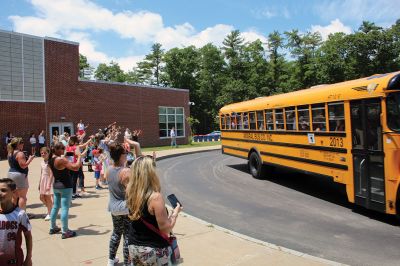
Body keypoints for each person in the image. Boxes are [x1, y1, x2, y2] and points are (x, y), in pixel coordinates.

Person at [126, 156, 183, 265]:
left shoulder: (130, 192)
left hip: (134, 246)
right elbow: (165, 229)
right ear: (150, 174)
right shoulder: (155, 197)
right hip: (154, 249)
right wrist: (175, 213)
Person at [107, 141, 140, 266]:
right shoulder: (126, 172)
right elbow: (132, 190)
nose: (127, 154)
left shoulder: (109, 170)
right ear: (121, 155)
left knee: (116, 233)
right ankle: (127, 262)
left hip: (114, 207)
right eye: (125, 153)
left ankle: (111, 260)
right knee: (127, 235)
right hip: (126, 208)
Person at [48, 142, 87, 239]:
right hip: (65, 186)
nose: (63, 150)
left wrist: (65, 156)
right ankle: (65, 231)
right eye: (62, 148)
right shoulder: (61, 160)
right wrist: (79, 157)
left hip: (56, 186)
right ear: (57, 149)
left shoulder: (51, 159)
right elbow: (75, 167)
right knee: (65, 208)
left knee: (55, 207)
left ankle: (53, 227)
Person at [0, 178, 32, 266]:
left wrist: (28, 258)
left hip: (14, 260)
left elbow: (28, 236)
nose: (0, 193)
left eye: (3, 190)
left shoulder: (20, 215)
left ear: (14, 193)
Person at [7, 138, 35, 210]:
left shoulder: (10, 153)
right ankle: (21, 214)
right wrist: (30, 159)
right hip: (19, 175)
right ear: (18, 144)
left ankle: (14, 213)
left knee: (15, 196)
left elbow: (11, 164)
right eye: (22, 142)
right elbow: (23, 166)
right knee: (22, 197)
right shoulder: (20, 153)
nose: (23, 144)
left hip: (11, 174)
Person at [39, 147, 54, 221]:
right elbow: (41, 173)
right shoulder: (42, 162)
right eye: (42, 153)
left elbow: (51, 173)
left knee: (48, 197)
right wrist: (39, 183)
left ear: (48, 153)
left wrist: (49, 184)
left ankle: (50, 213)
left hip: (48, 180)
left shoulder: (50, 162)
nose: (43, 154)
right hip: (43, 180)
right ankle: (50, 208)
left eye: (45, 153)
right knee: (41, 197)